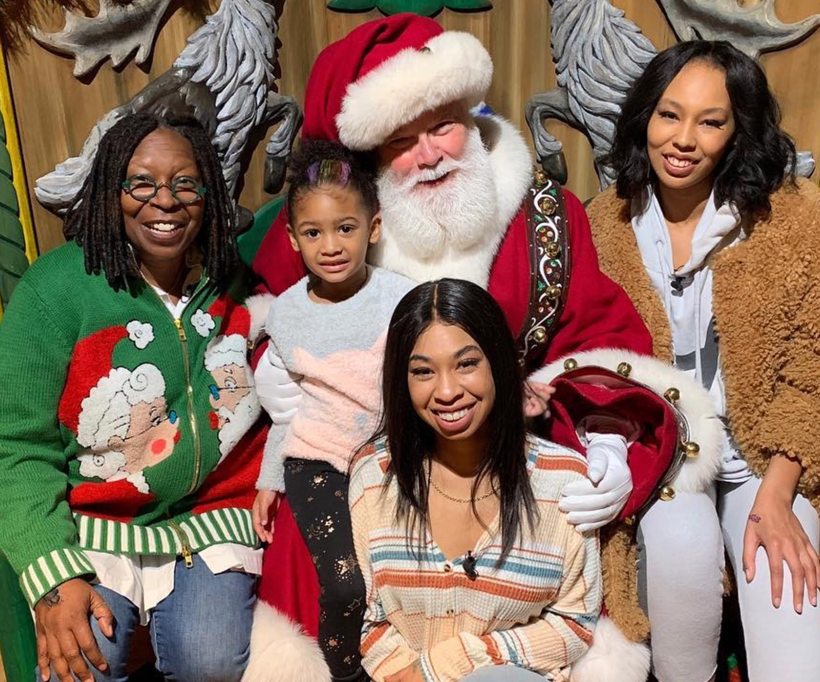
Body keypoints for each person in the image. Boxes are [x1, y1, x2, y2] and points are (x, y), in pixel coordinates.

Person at [248, 19, 722, 680]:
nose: (430, 154)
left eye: (441, 126)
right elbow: (270, 314)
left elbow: (598, 338)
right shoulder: (341, 227)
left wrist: (608, 440)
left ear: (471, 115)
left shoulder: (548, 217)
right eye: (402, 142)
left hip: (514, 448)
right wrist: (274, 371)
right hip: (374, 455)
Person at [586, 41, 820, 682]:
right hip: (666, 456)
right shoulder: (604, 223)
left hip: (767, 457)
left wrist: (777, 494)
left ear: (738, 130)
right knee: (681, 557)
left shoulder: (793, 217)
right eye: (669, 114)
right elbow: (591, 362)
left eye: (710, 121)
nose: (683, 139)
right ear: (644, 119)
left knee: (784, 589)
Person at [0, 113, 267, 682]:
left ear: (207, 195)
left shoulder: (233, 282)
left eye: (186, 183)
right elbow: (11, 445)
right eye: (142, 183)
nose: (166, 201)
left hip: (210, 523)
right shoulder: (54, 291)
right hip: (93, 525)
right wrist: (52, 575)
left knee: (211, 663)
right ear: (113, 190)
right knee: (81, 666)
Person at [350, 278, 601, 682]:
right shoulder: (375, 477)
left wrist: (457, 661)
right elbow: (372, 620)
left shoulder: (564, 481)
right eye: (423, 371)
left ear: (499, 363)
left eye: (466, 364)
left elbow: (574, 625)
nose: (447, 391)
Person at [251, 139, 415, 680]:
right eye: (314, 232)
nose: (331, 245)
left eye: (345, 227)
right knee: (345, 585)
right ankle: (346, 673)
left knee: (402, 576)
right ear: (293, 238)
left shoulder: (404, 297)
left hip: (392, 459)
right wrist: (270, 480)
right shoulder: (287, 314)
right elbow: (286, 411)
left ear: (373, 228)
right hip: (316, 461)